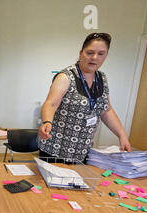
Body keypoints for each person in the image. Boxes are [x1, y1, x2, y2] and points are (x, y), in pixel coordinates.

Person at [38, 32, 131, 163]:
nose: (94, 57)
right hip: (56, 149)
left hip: (83, 150)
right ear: (81, 53)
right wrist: (47, 122)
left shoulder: (102, 78)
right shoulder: (66, 76)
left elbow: (106, 110)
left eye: (101, 54)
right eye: (90, 52)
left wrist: (122, 135)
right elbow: (51, 103)